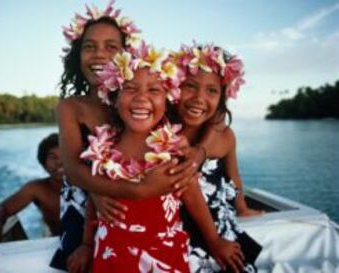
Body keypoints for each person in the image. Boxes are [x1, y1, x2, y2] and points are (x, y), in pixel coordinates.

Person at [51, 1, 201, 270]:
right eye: (89, 46)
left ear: (126, 57)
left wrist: (191, 150)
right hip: (88, 202)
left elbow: (192, 132)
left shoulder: (138, 101)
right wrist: (130, 191)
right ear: (77, 54)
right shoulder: (71, 107)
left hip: (149, 207)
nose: (99, 55)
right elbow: (74, 170)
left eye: (111, 47)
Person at [71, 44, 245, 273]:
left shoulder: (170, 149)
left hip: (162, 257)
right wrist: (86, 243)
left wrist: (214, 240)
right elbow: (95, 199)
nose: (141, 98)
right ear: (114, 97)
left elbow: (193, 196)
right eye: (130, 89)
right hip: (110, 257)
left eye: (154, 90)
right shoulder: (103, 148)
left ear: (166, 98)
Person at [174, 43, 262, 272]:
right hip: (181, 231)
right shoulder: (166, 135)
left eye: (212, 90)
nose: (199, 98)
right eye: (190, 86)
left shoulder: (225, 136)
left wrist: (241, 207)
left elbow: (234, 178)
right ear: (173, 87)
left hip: (221, 229)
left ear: (222, 96)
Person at [0, 133, 63, 252]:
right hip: (57, 246)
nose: (59, 162)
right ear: (43, 164)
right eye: (53, 157)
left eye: (64, 155)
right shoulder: (38, 189)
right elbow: (0, 209)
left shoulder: (86, 183)